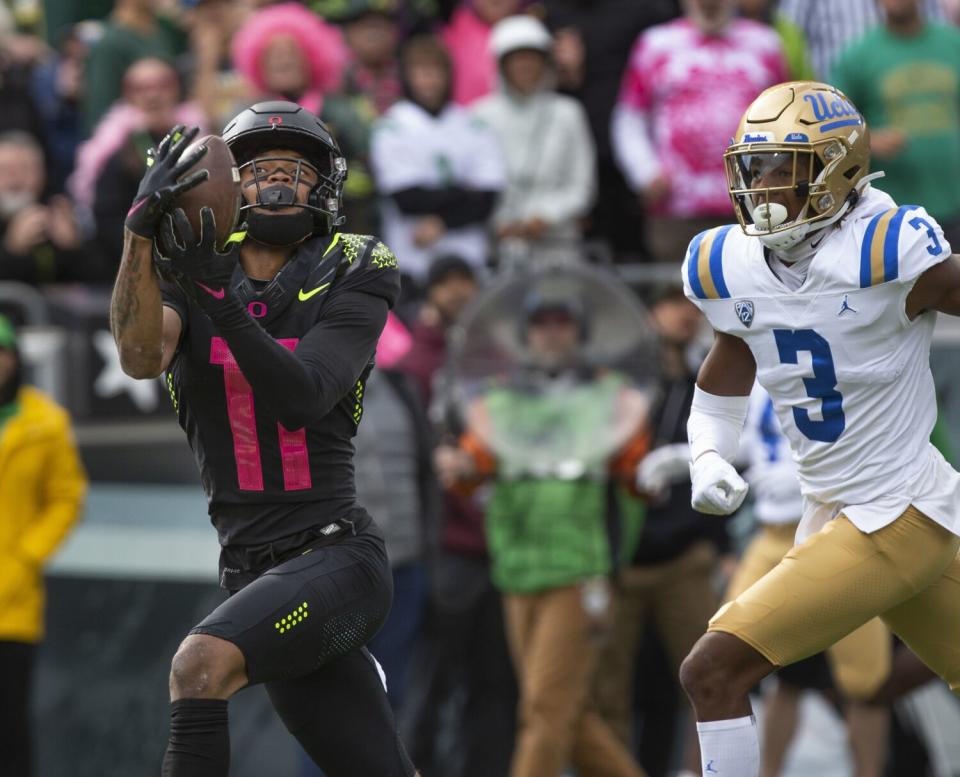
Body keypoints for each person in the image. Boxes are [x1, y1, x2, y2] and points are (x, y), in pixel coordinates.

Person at [109, 100, 417, 776]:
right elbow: (136, 356)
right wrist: (137, 237)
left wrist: (218, 298)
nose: (276, 182)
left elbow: (305, 395)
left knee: (199, 664)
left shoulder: (357, 262)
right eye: (258, 169)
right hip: (252, 570)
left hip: (337, 557)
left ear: (324, 188)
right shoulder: (188, 274)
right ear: (227, 189)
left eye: (294, 169)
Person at [676, 80, 960, 777]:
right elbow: (728, 365)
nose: (763, 186)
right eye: (755, 167)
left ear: (839, 172)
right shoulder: (729, 263)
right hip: (841, 507)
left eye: (783, 169)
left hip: (895, 510)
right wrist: (708, 454)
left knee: (712, 670)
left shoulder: (887, 249)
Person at [435, 292, 649, 777]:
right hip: (516, 571)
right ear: (527, 335)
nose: (552, 332)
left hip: (578, 571)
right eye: (542, 324)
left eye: (563, 322)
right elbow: (473, 469)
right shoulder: (500, 398)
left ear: (580, 334)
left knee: (544, 715)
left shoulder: (611, 397)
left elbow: (637, 475)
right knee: (567, 717)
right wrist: (458, 465)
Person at [734, 382, 891, 777]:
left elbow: (878, 432)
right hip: (772, 536)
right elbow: (743, 438)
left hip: (842, 532)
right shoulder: (752, 356)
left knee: (866, 682)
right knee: (726, 661)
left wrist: (813, 483)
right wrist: (698, 456)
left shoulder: (838, 347)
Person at [612, 0, 788, 264]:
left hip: (752, 202)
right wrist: (645, 171)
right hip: (676, 206)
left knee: (751, 290)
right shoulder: (655, 44)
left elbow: (786, 113)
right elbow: (630, 116)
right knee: (678, 295)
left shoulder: (766, 44)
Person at [0, 314, 87, 777]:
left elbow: (66, 498)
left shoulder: (45, 422)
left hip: (12, 602)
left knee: (10, 725)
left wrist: (26, 554)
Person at [370, 33, 505, 288]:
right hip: (412, 260)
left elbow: (488, 199)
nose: (428, 80)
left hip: (469, 259)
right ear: (406, 77)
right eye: (420, 71)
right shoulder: (391, 126)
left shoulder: (473, 124)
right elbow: (406, 197)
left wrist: (443, 222)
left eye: (435, 70)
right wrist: (464, 192)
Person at [830, 0, 960, 248]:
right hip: (892, 214)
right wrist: (869, 140)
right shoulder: (857, 55)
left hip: (953, 203)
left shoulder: (953, 44)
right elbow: (833, 126)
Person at [472, 15, 596, 267]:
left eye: (532, 57)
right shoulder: (479, 116)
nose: (524, 66)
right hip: (499, 245)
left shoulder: (568, 112)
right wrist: (500, 222)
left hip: (559, 245)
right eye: (516, 58)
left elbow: (582, 186)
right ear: (501, 65)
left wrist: (546, 216)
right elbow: (472, 184)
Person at [0, 130, 93, 283]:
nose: (15, 178)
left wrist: (72, 246)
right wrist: (11, 250)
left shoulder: (57, 214)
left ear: (42, 175)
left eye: (25, 169)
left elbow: (103, 281)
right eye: (4, 169)